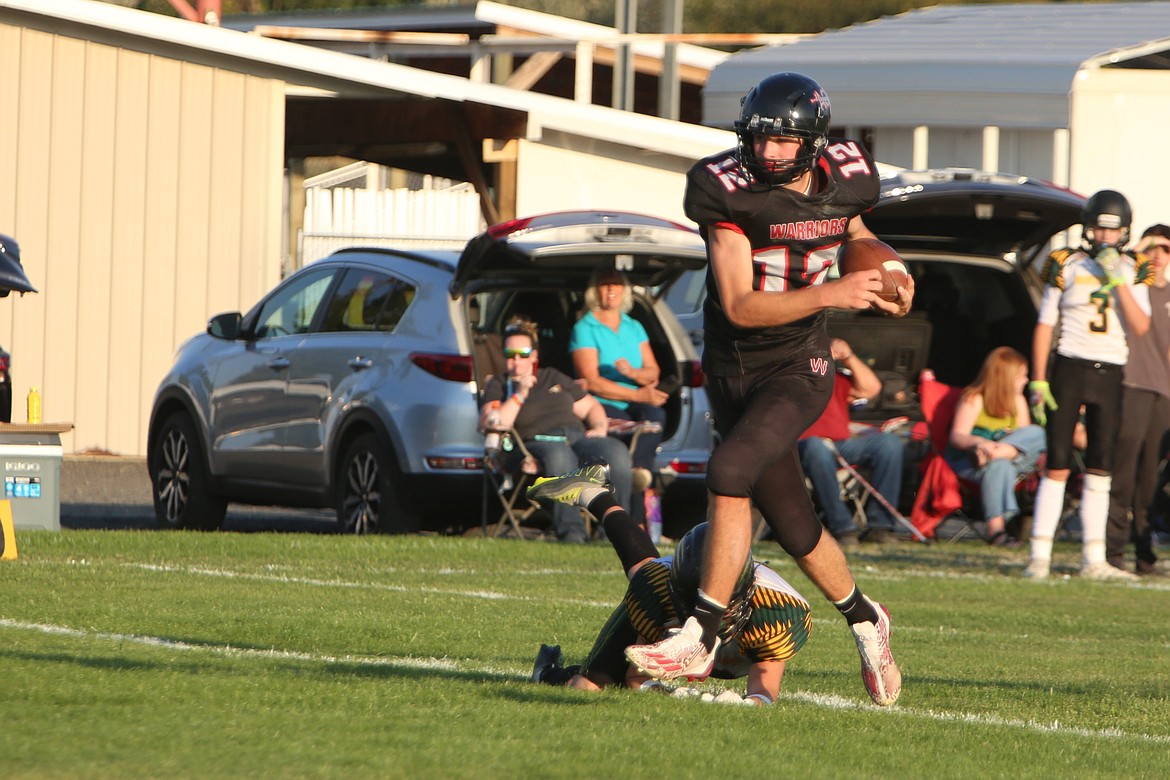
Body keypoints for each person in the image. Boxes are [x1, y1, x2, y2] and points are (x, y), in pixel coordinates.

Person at [620, 72, 912, 707]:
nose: (770, 153)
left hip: (798, 365)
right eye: (761, 140)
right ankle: (867, 619)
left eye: (783, 141)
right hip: (732, 365)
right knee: (793, 519)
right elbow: (741, 305)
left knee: (728, 468)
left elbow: (858, 235)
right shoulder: (725, 190)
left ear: (811, 141)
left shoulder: (848, 173)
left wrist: (889, 268)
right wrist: (834, 293)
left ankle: (699, 633)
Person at [527, 464, 812, 706]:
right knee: (587, 687)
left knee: (643, 567)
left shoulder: (777, 611)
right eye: (690, 606)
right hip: (660, 580)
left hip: (715, 596)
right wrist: (666, 691)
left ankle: (593, 493)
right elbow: (636, 677)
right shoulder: (657, 589)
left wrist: (748, 705)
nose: (699, 615)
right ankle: (547, 672)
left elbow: (764, 693)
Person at [1025, 190, 1153, 581]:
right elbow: (1046, 324)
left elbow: (1141, 326)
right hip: (1070, 366)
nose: (1103, 238)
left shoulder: (1135, 268)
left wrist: (1119, 281)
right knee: (1059, 461)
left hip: (1112, 371)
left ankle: (1093, 558)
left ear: (1125, 233)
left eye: (1111, 231)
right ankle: (1040, 555)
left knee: (1101, 464)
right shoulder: (1066, 262)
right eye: (1098, 229)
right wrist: (1039, 378)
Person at [479, 315, 633, 543]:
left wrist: (600, 427)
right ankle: (572, 533)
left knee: (615, 452)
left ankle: (614, 533)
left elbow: (591, 407)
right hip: (535, 443)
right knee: (560, 456)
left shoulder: (553, 376)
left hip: (576, 438)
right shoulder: (499, 385)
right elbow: (494, 421)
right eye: (510, 355)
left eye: (523, 354)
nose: (516, 361)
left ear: (534, 356)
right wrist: (519, 394)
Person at [570, 266, 668, 498]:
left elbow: (653, 372)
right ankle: (636, 480)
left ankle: (639, 470)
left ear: (624, 290)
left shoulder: (634, 326)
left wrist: (633, 374)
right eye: (605, 283)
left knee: (656, 416)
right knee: (629, 429)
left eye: (616, 283)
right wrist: (638, 394)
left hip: (635, 398)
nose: (611, 289)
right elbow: (591, 381)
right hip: (602, 403)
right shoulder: (584, 327)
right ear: (595, 291)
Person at [1106, 224, 1170, 576]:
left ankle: (1145, 556)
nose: (1158, 254)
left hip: (1163, 393)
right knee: (1123, 473)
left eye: (1166, 248)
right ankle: (1113, 554)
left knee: (1151, 479)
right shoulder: (1129, 285)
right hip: (1130, 385)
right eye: (1153, 246)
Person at [798, 337, 905, 547]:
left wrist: (847, 357)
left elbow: (871, 389)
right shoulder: (787, 376)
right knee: (815, 447)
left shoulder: (835, 377)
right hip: (802, 446)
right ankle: (843, 528)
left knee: (889, 444)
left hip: (841, 445)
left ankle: (880, 526)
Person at [945, 347, 1046, 547]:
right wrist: (981, 443)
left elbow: (1025, 439)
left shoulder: (1018, 401)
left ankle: (997, 453)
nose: (1026, 381)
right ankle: (997, 529)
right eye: (1022, 376)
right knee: (999, 466)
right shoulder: (974, 398)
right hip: (971, 461)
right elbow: (957, 436)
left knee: (1037, 433)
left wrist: (998, 449)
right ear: (1005, 378)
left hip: (1004, 458)